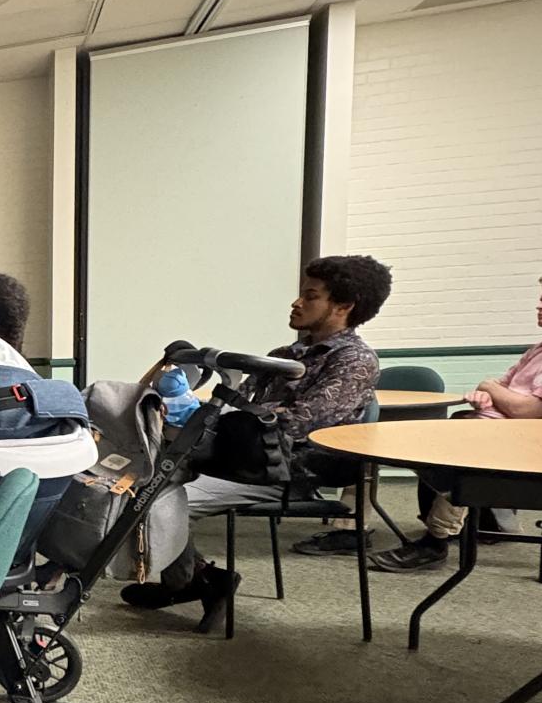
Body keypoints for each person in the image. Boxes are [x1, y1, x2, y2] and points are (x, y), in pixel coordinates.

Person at [122, 254, 393, 629]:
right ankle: (192, 579)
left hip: (290, 471)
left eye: (310, 296)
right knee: (139, 481)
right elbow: (243, 408)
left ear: (344, 307)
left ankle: (198, 581)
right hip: (245, 458)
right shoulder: (284, 356)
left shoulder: (355, 361)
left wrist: (229, 419)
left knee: (153, 498)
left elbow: (298, 425)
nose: (297, 302)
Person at [371, 270, 542, 572]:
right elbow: (505, 390)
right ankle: (474, 515)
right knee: (425, 436)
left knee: (450, 443)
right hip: (500, 433)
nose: (541, 306)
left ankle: (436, 541)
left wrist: (490, 389)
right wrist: (491, 394)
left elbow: (526, 410)